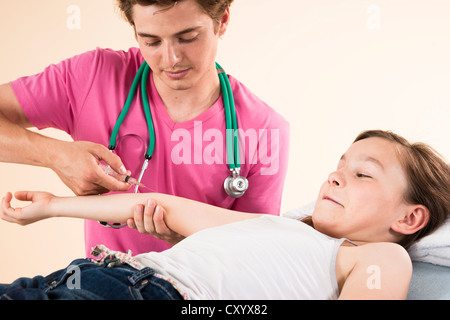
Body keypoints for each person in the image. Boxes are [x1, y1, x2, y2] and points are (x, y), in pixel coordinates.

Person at [1, 130, 449, 300]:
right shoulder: (279, 228)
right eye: (339, 165)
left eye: (362, 174)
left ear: (409, 219)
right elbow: (166, 207)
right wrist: (52, 207)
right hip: (83, 277)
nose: (334, 177)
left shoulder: (378, 259)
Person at [0, 0, 289, 255]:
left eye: (187, 37)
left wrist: (186, 236)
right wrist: (55, 155)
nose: (171, 58)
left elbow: (257, 257)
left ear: (222, 20)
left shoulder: (265, 130)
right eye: (151, 41)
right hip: (99, 285)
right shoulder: (93, 77)